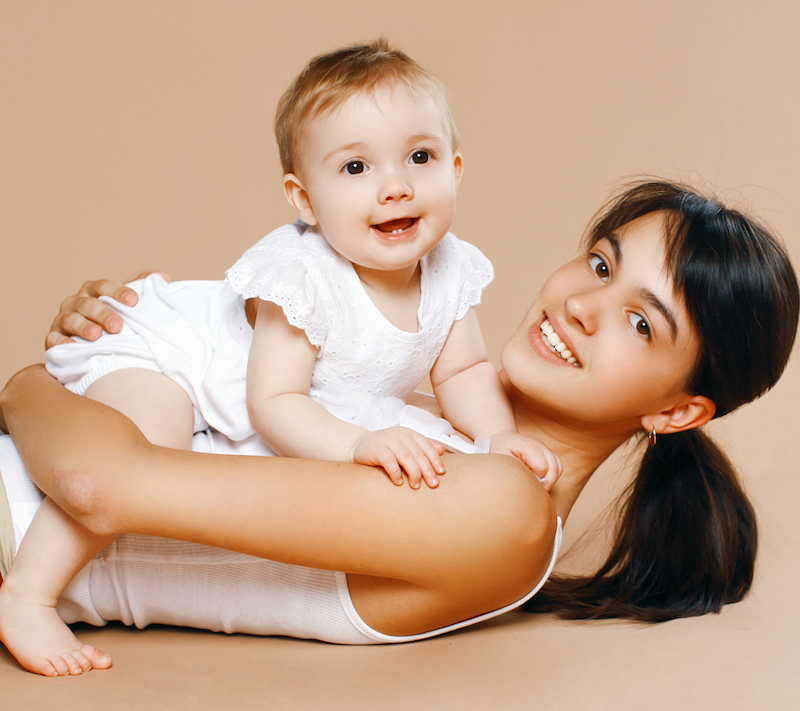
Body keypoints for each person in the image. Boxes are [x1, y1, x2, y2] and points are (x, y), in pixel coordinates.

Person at [0, 181, 797, 677]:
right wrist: (105, 341)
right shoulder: (411, 411)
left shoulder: (503, 510)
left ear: (676, 411)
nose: (580, 306)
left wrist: (27, 386)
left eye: (640, 322)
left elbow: (94, 485)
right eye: (599, 262)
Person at [2, 40, 561, 676]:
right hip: (168, 353)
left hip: (214, 392)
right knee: (144, 444)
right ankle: (27, 594)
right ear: (303, 200)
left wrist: (497, 437)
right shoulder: (303, 275)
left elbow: (461, 373)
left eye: (420, 157)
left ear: (457, 167)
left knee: (150, 461)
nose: (396, 186)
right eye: (356, 169)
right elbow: (274, 403)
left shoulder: (450, 268)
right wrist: (358, 443)